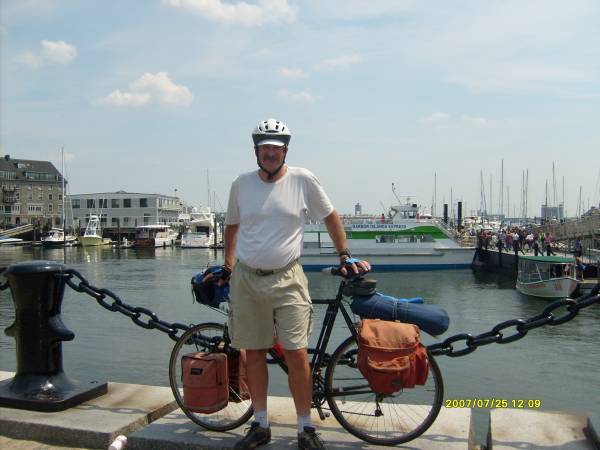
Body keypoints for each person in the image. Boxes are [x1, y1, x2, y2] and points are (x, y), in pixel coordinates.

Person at [222, 118, 371, 450]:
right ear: (256, 151)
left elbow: (330, 216)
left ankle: (305, 427)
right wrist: (227, 266)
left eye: (276, 148)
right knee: (254, 353)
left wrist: (344, 254)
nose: (270, 153)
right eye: (264, 148)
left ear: (285, 151)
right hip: (247, 278)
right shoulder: (241, 184)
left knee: (297, 353)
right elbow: (232, 226)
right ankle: (260, 423)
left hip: (288, 277)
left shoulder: (303, 179)